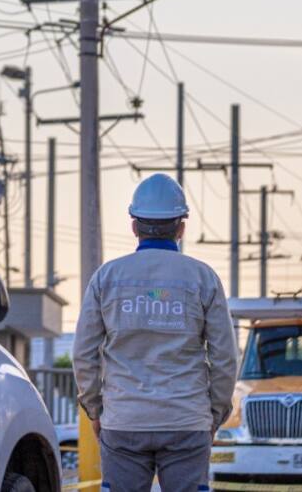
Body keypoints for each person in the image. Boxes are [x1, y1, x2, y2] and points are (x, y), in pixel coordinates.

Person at [72, 174, 238, 492]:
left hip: (123, 421)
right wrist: (213, 414)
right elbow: (224, 357)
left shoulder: (106, 279)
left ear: (135, 226)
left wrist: (95, 409)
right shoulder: (203, 279)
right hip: (186, 422)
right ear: (181, 227)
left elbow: (83, 353)